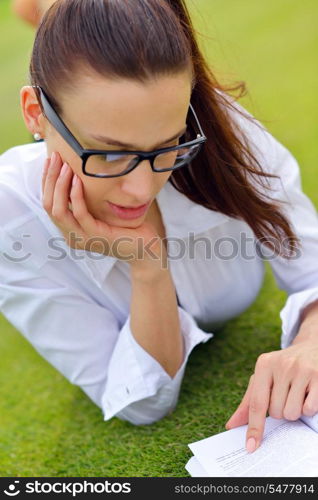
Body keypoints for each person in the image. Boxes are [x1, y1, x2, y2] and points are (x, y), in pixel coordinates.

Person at [1, 0, 318, 456]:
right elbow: (141, 402)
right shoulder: (10, 221)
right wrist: (148, 268)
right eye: (108, 153)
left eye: (167, 146)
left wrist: (310, 341)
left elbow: (309, 268)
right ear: (35, 113)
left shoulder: (220, 131)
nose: (140, 189)